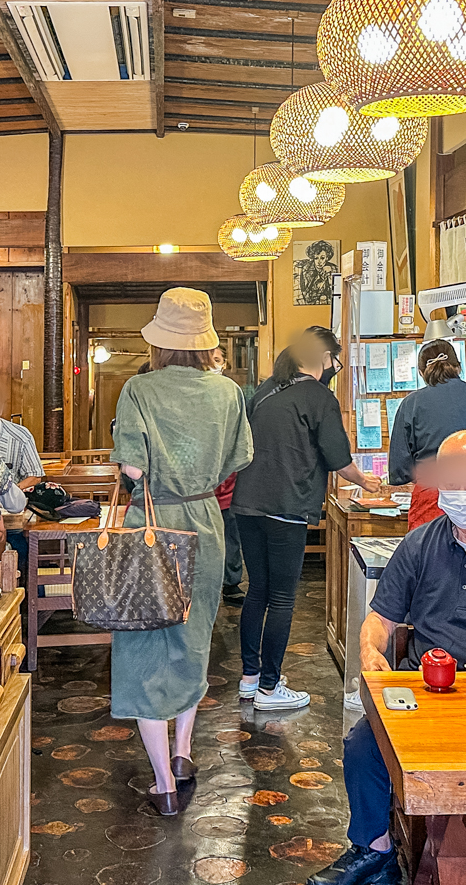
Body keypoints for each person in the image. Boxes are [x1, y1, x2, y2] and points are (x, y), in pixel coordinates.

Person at [310, 430, 466, 885]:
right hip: (423, 691)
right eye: (453, 484)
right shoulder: (418, 545)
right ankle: (375, 853)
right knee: (362, 745)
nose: (463, 496)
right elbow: (381, 619)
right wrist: (370, 649)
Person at [111, 288, 252, 817]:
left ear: (159, 340)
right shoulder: (227, 393)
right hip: (205, 525)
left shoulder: (139, 390)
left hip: (153, 523)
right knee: (193, 640)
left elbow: (132, 469)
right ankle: (185, 751)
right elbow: (236, 460)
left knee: (145, 648)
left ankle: (164, 781)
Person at [231, 328, 379, 711]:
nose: (336, 367)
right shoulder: (319, 397)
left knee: (258, 591)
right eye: (334, 359)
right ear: (322, 357)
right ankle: (268, 688)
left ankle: (250, 678)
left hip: (246, 504)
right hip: (287, 506)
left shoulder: (264, 390)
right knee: (281, 597)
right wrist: (367, 481)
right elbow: (338, 459)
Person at [389, 339, 466, 530]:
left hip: (433, 494)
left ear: (421, 372)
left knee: (428, 554)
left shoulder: (410, 404)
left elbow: (400, 470)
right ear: (458, 367)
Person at [210, 346, 247, 602]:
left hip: (230, 485)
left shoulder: (233, 394)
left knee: (231, 537)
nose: (214, 364)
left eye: (218, 359)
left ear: (225, 363)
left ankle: (231, 583)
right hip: (200, 489)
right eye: (209, 359)